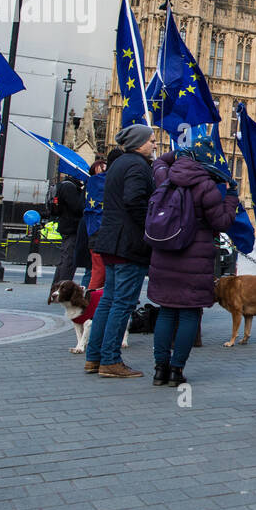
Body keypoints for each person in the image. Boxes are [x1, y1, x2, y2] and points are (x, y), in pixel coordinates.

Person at [146, 140, 243, 387]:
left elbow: (158, 161)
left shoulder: (165, 178)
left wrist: (177, 154)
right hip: (194, 258)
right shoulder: (206, 186)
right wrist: (231, 197)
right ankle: (177, 370)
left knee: (166, 311)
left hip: (165, 255)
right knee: (189, 313)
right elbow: (221, 222)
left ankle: (160, 370)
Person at [84, 125, 156, 378]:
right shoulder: (138, 166)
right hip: (128, 244)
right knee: (122, 304)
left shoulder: (118, 164)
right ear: (139, 142)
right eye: (151, 141)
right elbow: (135, 200)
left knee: (108, 300)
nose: (154, 145)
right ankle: (110, 361)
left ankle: (94, 357)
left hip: (110, 240)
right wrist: (149, 227)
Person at [76, 157, 110, 291]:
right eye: (101, 171)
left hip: (92, 232)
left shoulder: (90, 185)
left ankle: (88, 298)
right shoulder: (95, 186)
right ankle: (87, 301)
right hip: (94, 233)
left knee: (95, 271)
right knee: (95, 272)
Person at [50, 173, 86, 288]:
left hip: (66, 225)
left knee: (65, 258)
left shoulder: (65, 185)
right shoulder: (69, 187)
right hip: (71, 226)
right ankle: (62, 288)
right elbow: (77, 207)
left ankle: (57, 287)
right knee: (68, 259)